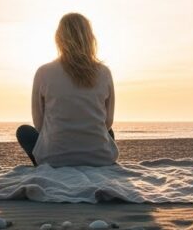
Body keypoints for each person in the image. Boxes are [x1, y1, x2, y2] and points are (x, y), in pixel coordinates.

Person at [16, 13, 118, 167]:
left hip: (54, 160)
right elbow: (108, 122)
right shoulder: (104, 72)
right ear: (90, 38)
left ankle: (47, 161)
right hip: (101, 159)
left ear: (58, 39)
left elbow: (39, 124)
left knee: (24, 131)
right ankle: (93, 152)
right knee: (107, 133)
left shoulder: (44, 72)